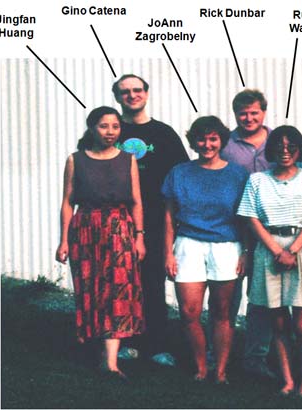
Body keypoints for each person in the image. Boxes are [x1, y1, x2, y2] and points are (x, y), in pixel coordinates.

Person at [237, 125, 302, 399]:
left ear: (299, 149)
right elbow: (251, 218)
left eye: (291, 146)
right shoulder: (257, 180)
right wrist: (277, 250)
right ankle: (287, 381)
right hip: (269, 250)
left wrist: (293, 250)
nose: (285, 151)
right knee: (277, 323)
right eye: (279, 146)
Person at [55, 106, 145, 380]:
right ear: (92, 128)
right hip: (85, 230)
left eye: (115, 126)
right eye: (104, 126)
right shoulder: (76, 160)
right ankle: (99, 351)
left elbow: (136, 202)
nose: (110, 132)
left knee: (118, 290)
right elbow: (68, 202)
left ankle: (111, 363)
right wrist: (63, 240)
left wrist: (139, 236)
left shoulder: (128, 159)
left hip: (119, 229)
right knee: (92, 289)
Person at [162, 116, 249, 384]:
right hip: (188, 244)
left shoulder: (238, 175)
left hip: (226, 246)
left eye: (213, 139)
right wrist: (168, 253)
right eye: (201, 139)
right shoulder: (179, 172)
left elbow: (246, 217)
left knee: (222, 312)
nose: (207, 144)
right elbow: (168, 217)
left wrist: (246, 252)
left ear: (222, 141)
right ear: (193, 141)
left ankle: (220, 371)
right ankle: (201, 367)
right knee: (189, 312)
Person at [112, 74, 189, 366]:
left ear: (146, 93)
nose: (132, 95)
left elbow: (181, 175)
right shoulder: (110, 130)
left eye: (137, 90)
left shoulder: (163, 133)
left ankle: (157, 345)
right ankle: (126, 343)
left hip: (156, 220)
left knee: (153, 283)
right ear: (117, 97)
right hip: (116, 219)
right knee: (121, 284)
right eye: (125, 92)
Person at [219, 89, 276, 379]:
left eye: (254, 112)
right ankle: (220, 354)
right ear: (235, 114)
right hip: (233, 227)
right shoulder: (224, 145)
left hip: (270, 229)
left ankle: (256, 357)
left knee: (262, 297)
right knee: (228, 295)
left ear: (264, 112)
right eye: (243, 113)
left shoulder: (279, 141)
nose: (249, 118)